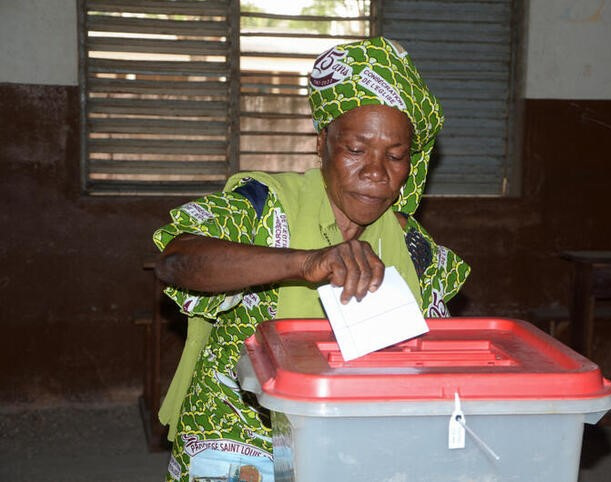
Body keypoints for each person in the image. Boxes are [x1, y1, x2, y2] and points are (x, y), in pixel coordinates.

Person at [152, 36, 470, 481]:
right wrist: (305, 263)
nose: (376, 172)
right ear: (322, 143)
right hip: (241, 445)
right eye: (356, 150)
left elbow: (438, 358)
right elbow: (177, 260)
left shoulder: (411, 247)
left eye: (395, 157)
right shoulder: (265, 206)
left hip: (349, 445)